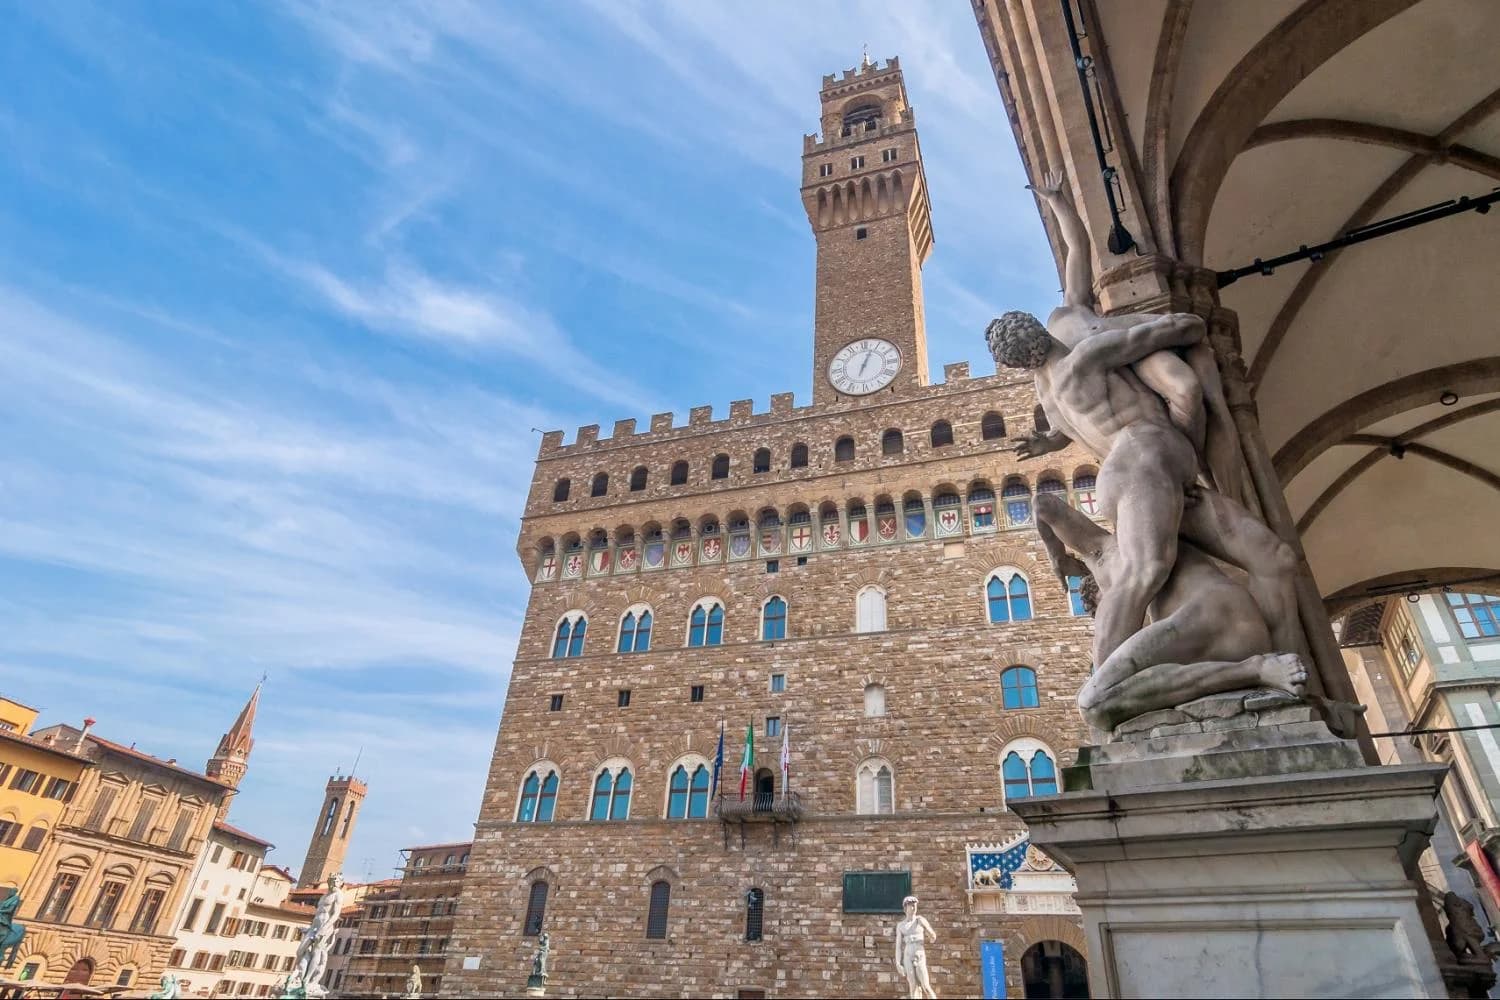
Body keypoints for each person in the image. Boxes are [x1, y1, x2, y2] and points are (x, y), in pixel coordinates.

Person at [987, 305, 1302, 672]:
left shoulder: (1049, 396)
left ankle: (1283, 670)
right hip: (1142, 465)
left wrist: (1047, 444)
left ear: (1021, 364)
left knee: (1275, 558)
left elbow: (1066, 432)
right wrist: (1112, 325)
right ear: (1038, 329)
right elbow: (1184, 327)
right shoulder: (1086, 356)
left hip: (1166, 474)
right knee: (1144, 573)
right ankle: (1103, 688)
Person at [1025, 169, 1248, 508]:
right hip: (1124, 374)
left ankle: (1198, 465)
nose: (1035, 350)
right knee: (1184, 393)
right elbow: (1065, 424)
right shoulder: (1047, 384)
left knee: (1187, 389)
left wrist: (1058, 202)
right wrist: (1047, 443)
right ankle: (1195, 473)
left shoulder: (1068, 312)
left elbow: (1077, 247)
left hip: (1138, 348)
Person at [1034, 491, 1306, 731]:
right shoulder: (1146, 528)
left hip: (1213, 617)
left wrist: (1057, 559)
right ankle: (1255, 669)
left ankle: (1255, 670)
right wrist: (1056, 555)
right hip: (1234, 626)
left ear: (1098, 595)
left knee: (1094, 702)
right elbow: (1043, 505)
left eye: (1097, 608)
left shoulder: (1116, 573)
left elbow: (1105, 668)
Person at [894, 895, 937, 999]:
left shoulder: (920, 920)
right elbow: (898, 946)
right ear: (905, 908)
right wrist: (898, 963)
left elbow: (933, 936)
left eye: (915, 905)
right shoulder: (901, 925)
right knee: (913, 986)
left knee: (925, 986)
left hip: (919, 954)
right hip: (908, 956)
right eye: (911, 906)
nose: (913, 908)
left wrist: (931, 935)